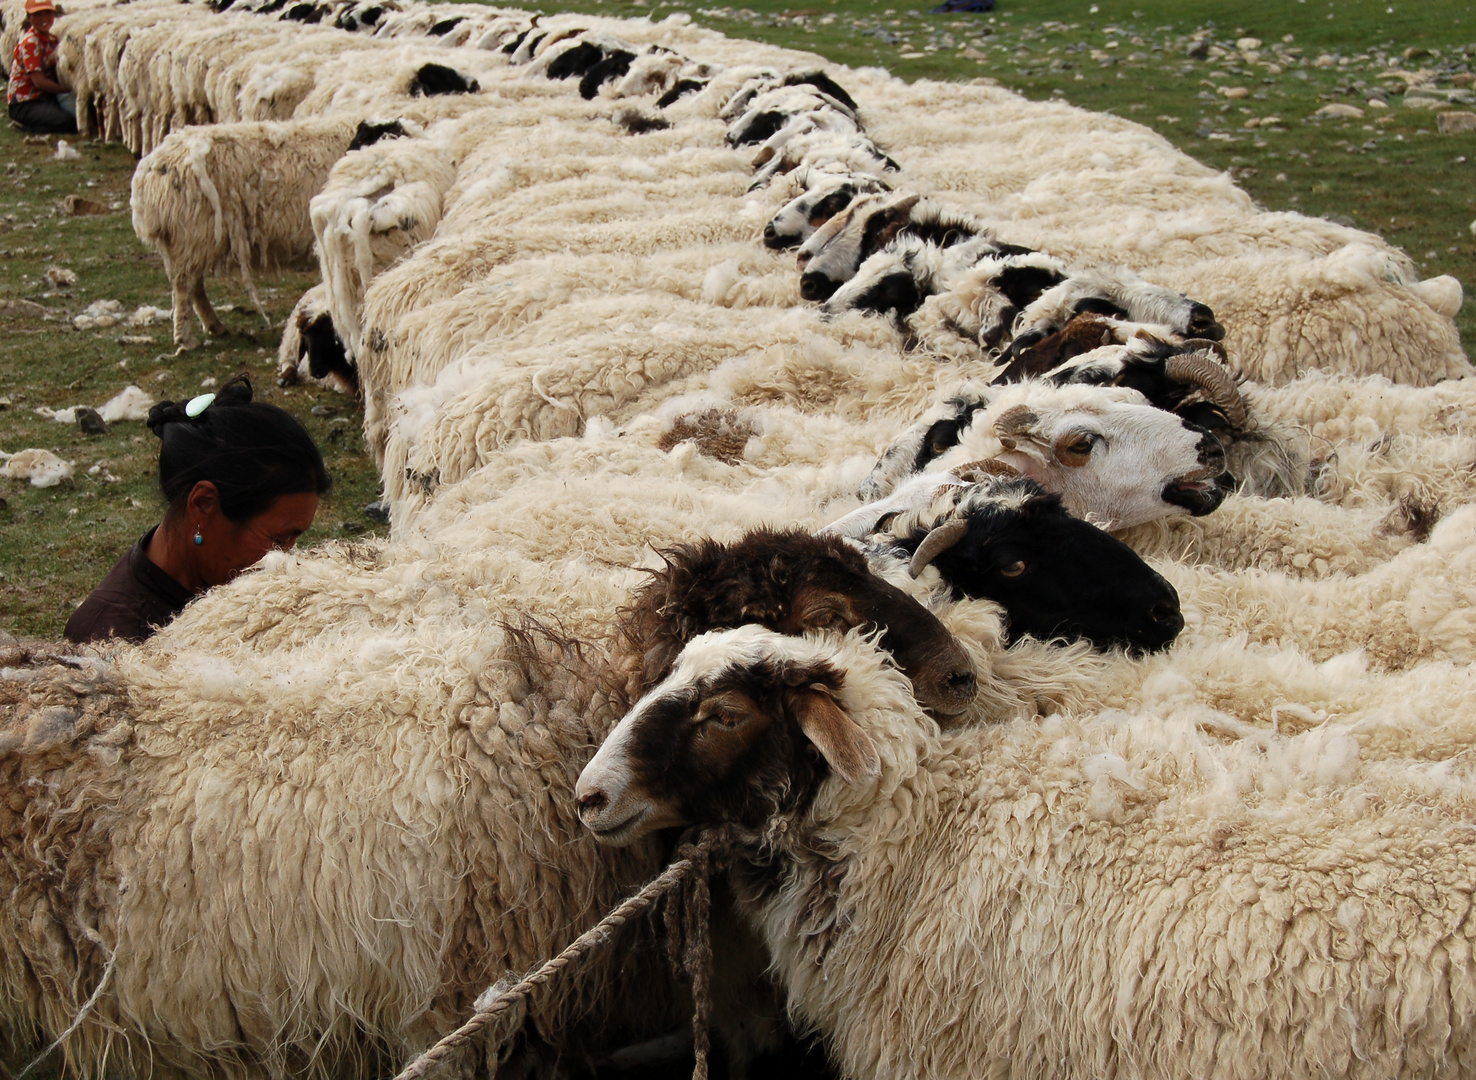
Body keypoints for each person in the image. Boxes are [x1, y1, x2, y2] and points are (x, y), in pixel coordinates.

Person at [65, 376, 332, 645]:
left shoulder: (229, 592)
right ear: (204, 503)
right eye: (278, 541)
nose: (283, 562)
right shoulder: (112, 642)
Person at [7, 0, 76, 135]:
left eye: (47, 13)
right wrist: (68, 90)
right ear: (29, 17)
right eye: (37, 15)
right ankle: (28, 126)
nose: (44, 19)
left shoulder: (51, 39)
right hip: (25, 102)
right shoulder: (31, 43)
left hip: (43, 98)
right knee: (67, 122)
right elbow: (39, 82)